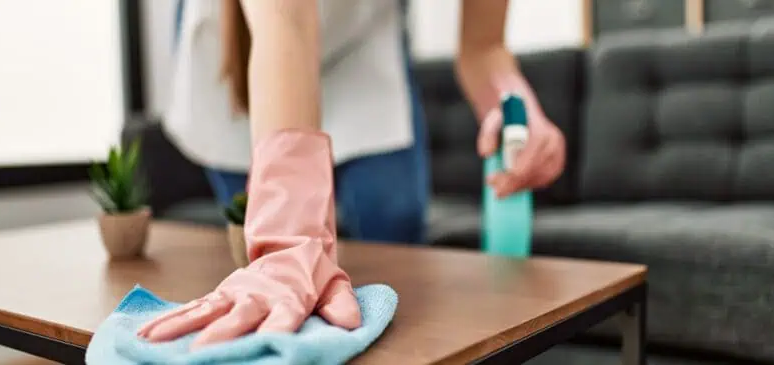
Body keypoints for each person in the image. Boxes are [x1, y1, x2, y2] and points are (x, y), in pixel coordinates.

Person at [140, 0, 565, 350]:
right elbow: (286, 19)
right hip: (246, 35)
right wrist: (286, 238)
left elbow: (483, 46)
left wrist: (513, 107)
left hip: (362, 34)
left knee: (393, 218)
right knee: (263, 249)